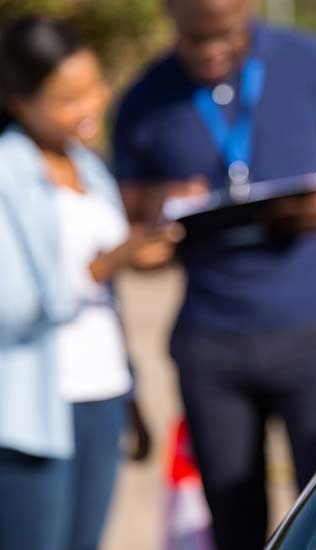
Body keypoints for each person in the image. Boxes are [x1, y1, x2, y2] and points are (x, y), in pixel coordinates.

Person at [112, 0, 316, 547]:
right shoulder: (143, 98)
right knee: (233, 521)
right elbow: (126, 224)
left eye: (224, 33)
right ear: (168, 9)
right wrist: (159, 204)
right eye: (196, 36)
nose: (211, 51)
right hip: (212, 345)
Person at [0, 16, 179, 549]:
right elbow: (11, 306)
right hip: (34, 414)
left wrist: (145, 250)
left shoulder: (89, 165)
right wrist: (107, 262)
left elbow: (107, 288)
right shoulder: (8, 173)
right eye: (68, 99)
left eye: (95, 87)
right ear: (19, 102)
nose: (92, 107)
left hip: (103, 395)